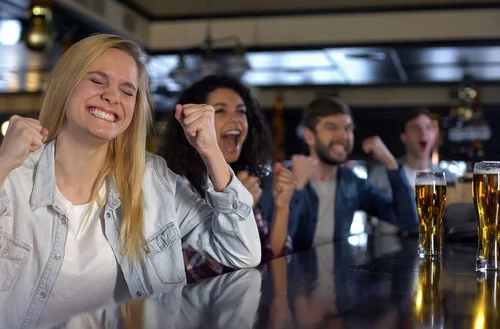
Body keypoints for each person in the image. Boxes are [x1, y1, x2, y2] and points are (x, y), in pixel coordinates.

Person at [0, 34, 260, 329]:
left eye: (127, 90)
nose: (113, 96)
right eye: (97, 80)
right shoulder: (8, 174)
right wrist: (1, 165)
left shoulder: (153, 179)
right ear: (66, 86)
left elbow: (242, 252)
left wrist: (211, 151)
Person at [160, 75, 297, 282]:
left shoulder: (241, 179)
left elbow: (270, 259)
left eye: (241, 111)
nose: (237, 119)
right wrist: (236, 208)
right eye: (220, 111)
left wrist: (282, 207)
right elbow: (198, 274)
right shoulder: (178, 185)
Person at [289, 96, 418, 250]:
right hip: (290, 274)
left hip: (337, 273)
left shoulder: (352, 183)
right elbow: (273, 246)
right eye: (331, 127)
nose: (343, 136)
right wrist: (297, 190)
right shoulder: (283, 180)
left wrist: (391, 164)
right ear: (310, 136)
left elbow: (408, 220)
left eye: (348, 128)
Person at [368, 107, 457, 234]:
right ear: (404, 137)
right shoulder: (380, 175)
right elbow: (370, 224)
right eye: (416, 128)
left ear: (435, 134)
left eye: (428, 128)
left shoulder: (449, 178)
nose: (423, 133)